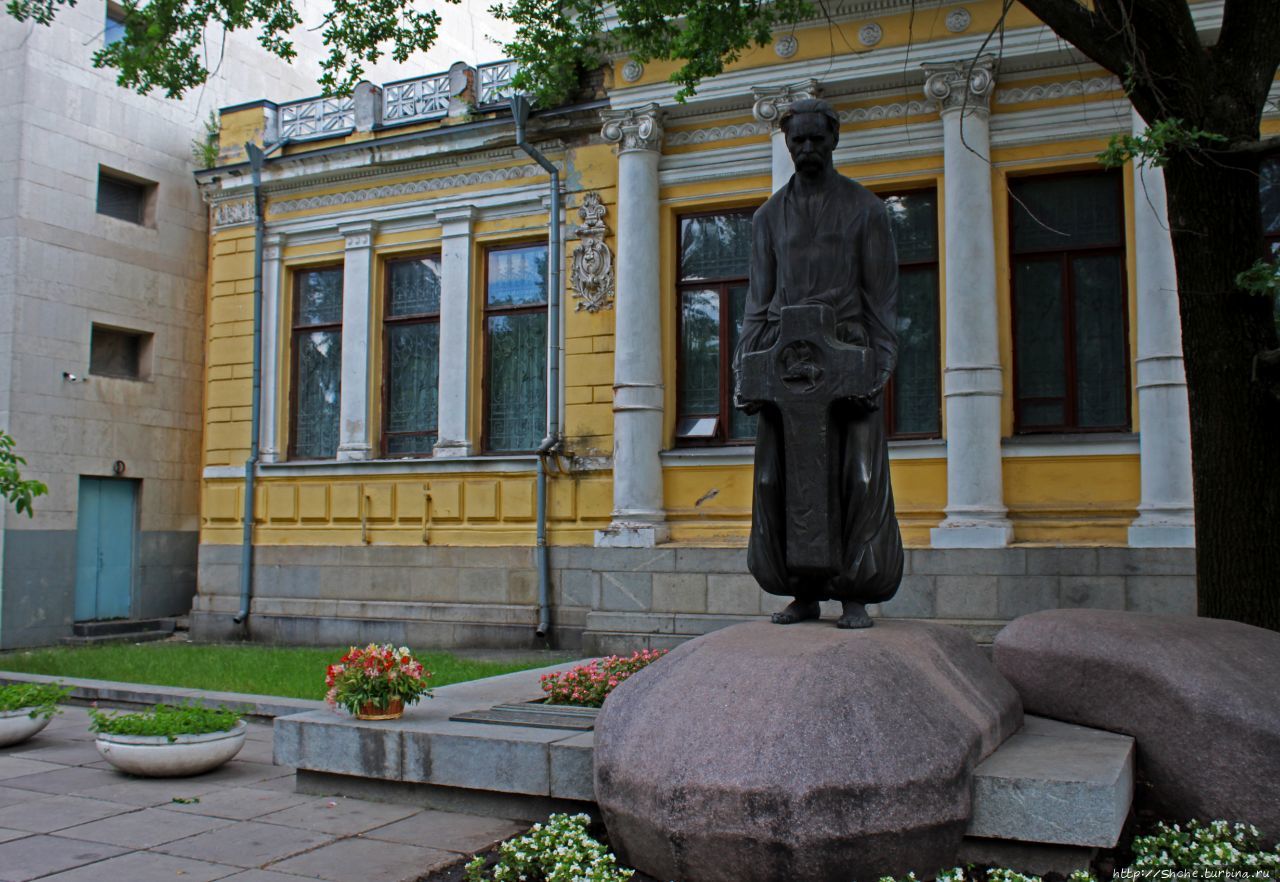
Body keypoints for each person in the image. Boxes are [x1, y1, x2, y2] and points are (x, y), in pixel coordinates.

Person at [733, 98, 904, 629]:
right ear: (787, 144)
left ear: (834, 139)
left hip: (849, 359)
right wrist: (747, 372)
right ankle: (802, 591)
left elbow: (884, 306)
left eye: (816, 139)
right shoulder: (767, 218)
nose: (806, 148)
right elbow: (757, 307)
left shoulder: (866, 210)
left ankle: (856, 592)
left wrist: (877, 371)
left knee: (857, 475)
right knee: (775, 483)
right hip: (788, 367)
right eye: (797, 140)